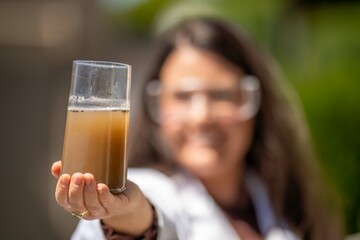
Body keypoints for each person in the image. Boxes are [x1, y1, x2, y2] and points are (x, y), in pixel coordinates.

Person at [51, 17, 343, 240]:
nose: (201, 116)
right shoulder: (153, 189)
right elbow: (146, 216)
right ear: (156, 107)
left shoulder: (282, 199)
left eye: (222, 95)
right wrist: (122, 212)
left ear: (255, 101)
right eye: (182, 97)